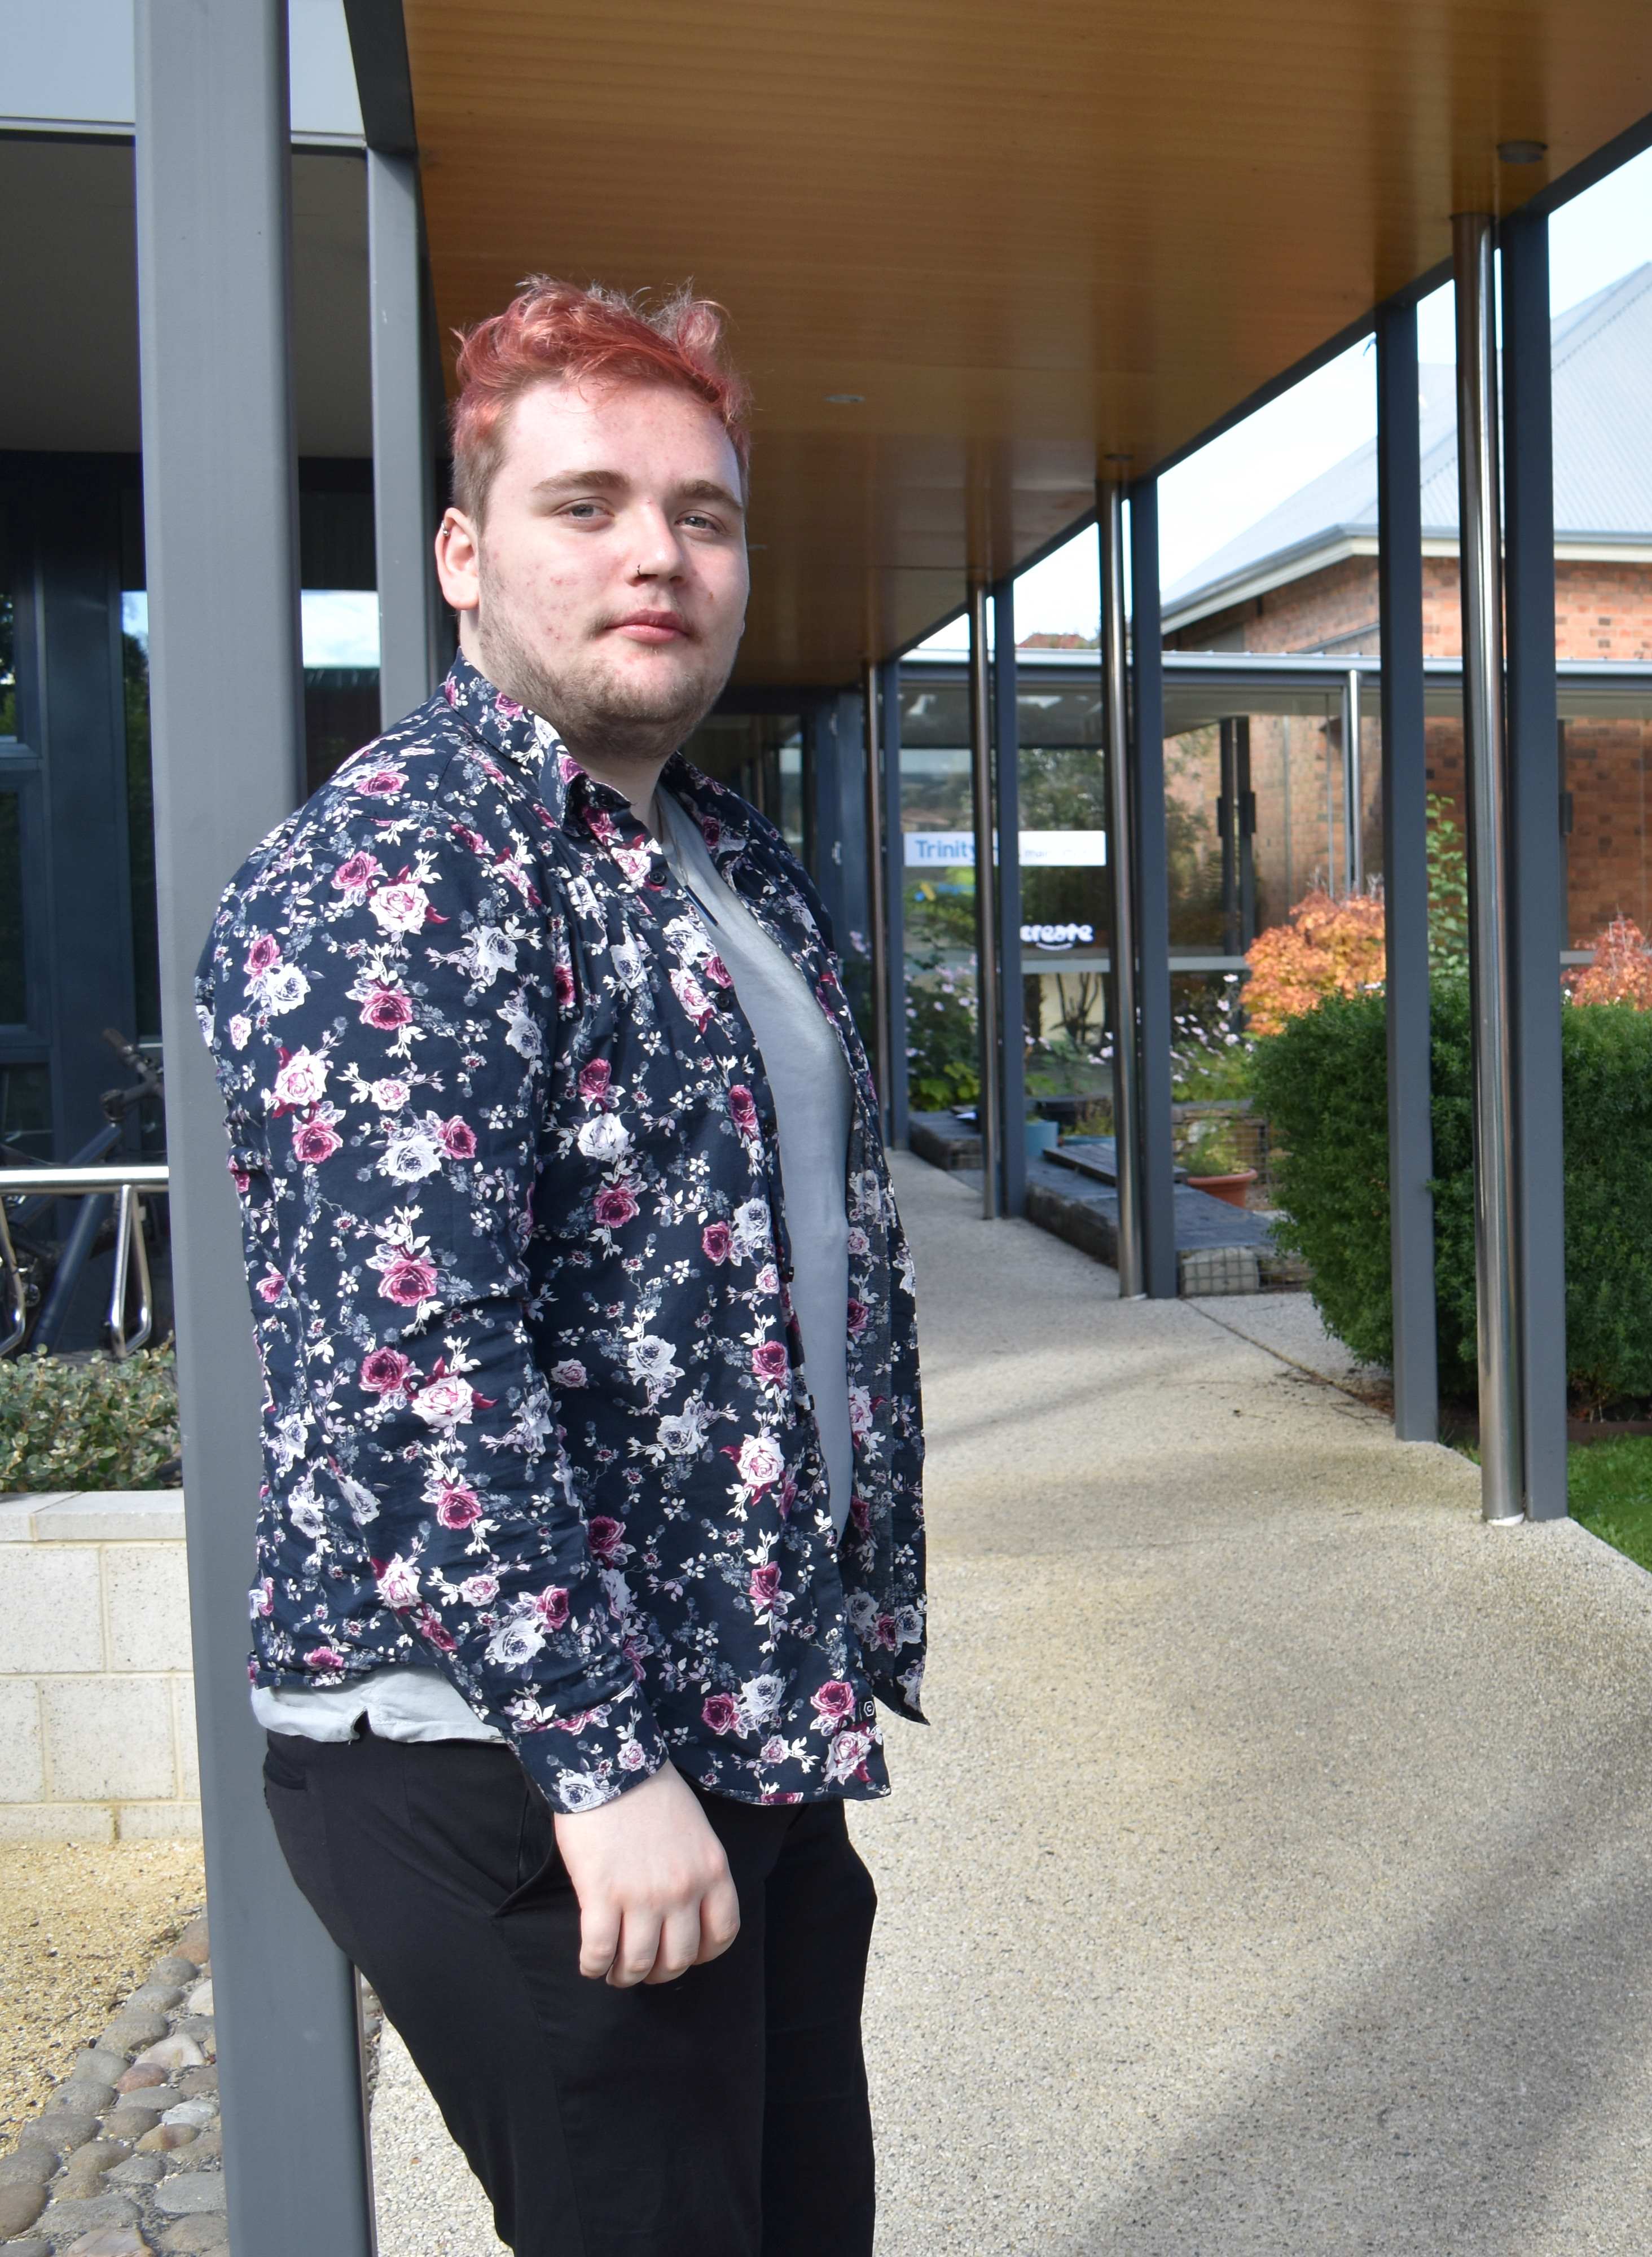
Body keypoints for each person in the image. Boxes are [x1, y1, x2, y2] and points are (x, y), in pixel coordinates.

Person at [195, 277, 924, 2257]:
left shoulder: (722, 857)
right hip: (514, 1765)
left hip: (736, 1722)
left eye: (702, 514)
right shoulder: (397, 872)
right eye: (586, 504)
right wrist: (600, 1772)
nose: (656, 557)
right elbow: (419, 1364)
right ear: (464, 554)